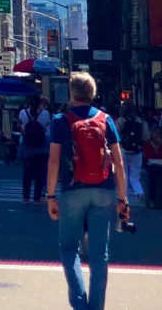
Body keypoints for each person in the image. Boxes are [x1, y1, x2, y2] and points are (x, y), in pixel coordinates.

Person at [46, 71, 129, 310]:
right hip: (104, 190)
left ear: (72, 94)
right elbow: (119, 162)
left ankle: (79, 303)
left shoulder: (62, 121)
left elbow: (53, 161)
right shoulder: (106, 119)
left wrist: (51, 195)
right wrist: (123, 199)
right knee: (99, 254)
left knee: (69, 247)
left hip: (73, 189)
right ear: (92, 93)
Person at [116, 102, 148, 204]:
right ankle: (139, 193)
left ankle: (124, 198)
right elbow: (146, 137)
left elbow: (115, 134)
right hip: (137, 151)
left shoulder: (121, 120)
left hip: (124, 150)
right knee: (135, 176)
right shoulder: (141, 122)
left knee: (123, 174)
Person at [21, 97, 52, 204]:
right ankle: (37, 197)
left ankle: (25, 197)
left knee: (27, 173)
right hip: (41, 146)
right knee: (40, 173)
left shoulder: (23, 112)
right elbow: (47, 127)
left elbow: (21, 127)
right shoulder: (45, 113)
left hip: (28, 146)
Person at [142, 127, 162, 208]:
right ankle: (151, 201)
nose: (156, 135)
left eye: (158, 133)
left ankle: (159, 202)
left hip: (160, 166)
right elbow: (146, 156)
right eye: (155, 133)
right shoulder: (147, 144)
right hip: (150, 166)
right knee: (151, 182)